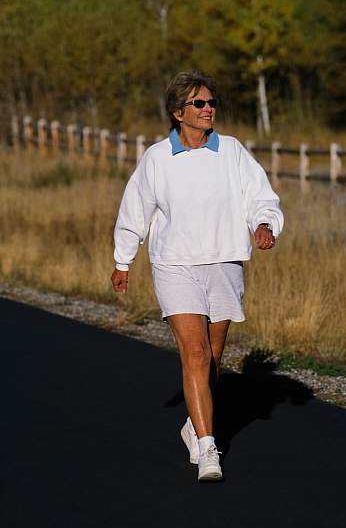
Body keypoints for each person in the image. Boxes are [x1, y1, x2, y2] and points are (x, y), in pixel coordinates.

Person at [111, 70, 284, 482]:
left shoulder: (232, 152)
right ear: (178, 112)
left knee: (212, 358)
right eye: (199, 104)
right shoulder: (157, 158)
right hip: (174, 265)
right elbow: (135, 210)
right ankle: (208, 448)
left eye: (211, 103)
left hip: (224, 263)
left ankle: (195, 420)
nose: (209, 110)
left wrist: (265, 224)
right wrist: (123, 260)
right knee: (194, 353)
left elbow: (261, 196)